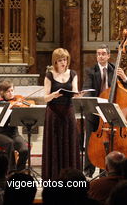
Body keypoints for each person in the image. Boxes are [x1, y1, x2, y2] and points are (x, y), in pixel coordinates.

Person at [82, 44, 127, 178]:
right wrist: (92, 101)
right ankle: (88, 170)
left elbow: (126, 88)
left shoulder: (115, 69)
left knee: (110, 141)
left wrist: (124, 78)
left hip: (110, 111)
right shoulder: (91, 71)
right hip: (95, 110)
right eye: (98, 53)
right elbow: (87, 90)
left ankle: (107, 169)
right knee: (91, 141)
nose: (100, 56)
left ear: (108, 56)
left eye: (103, 53)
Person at [42, 48, 81, 180]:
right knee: (54, 143)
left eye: (65, 59)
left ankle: (71, 177)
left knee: (69, 142)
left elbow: (74, 92)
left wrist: (78, 94)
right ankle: (54, 176)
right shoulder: (49, 75)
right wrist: (54, 94)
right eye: (60, 60)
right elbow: (45, 98)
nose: (63, 62)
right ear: (55, 62)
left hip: (68, 111)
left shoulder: (73, 73)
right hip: (53, 113)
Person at [0, 81, 29, 172]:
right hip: (0, 134)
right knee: (10, 143)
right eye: (8, 91)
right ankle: (11, 171)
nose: (11, 93)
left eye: (12, 90)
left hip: (14, 134)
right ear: (2, 92)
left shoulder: (17, 102)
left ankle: (19, 171)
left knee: (24, 150)